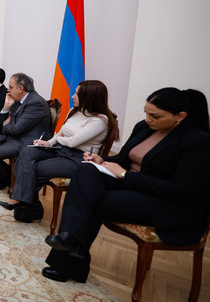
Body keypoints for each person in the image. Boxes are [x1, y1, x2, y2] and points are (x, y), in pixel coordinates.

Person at [42, 88, 210, 284]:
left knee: (92, 199)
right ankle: (71, 243)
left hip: (163, 201)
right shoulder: (144, 128)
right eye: (146, 112)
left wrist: (124, 175)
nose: (148, 119)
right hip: (130, 184)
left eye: (155, 116)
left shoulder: (197, 141)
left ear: (180, 116)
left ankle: (69, 251)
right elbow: (123, 159)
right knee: (85, 170)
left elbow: (182, 190)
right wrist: (101, 159)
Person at [0, 80, 119, 222]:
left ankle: (27, 205)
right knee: (26, 153)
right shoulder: (74, 111)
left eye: (77, 94)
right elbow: (61, 133)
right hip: (60, 150)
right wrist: (48, 142)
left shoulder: (100, 120)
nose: (72, 96)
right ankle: (26, 204)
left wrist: (60, 139)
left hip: (78, 158)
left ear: (90, 97)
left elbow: (73, 142)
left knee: (31, 167)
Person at [0, 73, 52, 190]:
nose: (8, 90)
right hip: (12, 137)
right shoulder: (18, 100)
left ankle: (6, 178)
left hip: (25, 142)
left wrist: (6, 124)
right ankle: (8, 176)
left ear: (21, 89)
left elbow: (15, 129)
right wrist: (6, 107)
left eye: (11, 87)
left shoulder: (35, 103)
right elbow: (2, 123)